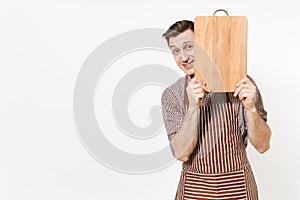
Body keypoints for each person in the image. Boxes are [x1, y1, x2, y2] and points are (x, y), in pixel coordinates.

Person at [161, 20, 271, 200]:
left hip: (237, 186)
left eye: (189, 47)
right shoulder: (172, 94)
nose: (183, 58)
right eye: (176, 51)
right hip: (194, 188)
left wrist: (251, 109)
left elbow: (263, 145)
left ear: (205, 45)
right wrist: (192, 109)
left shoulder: (241, 84)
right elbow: (181, 153)